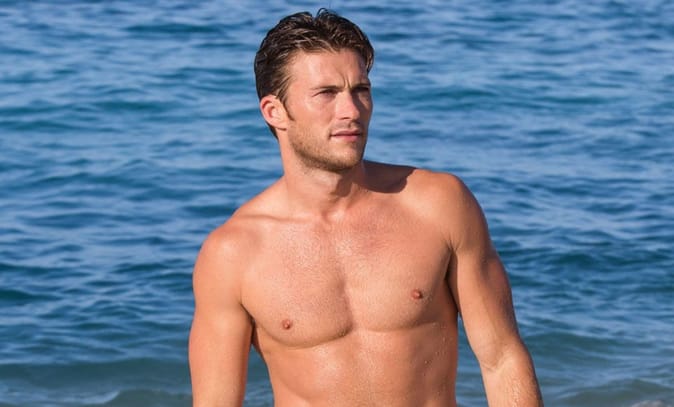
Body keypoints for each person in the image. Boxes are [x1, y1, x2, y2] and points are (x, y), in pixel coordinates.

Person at [189, 9, 543, 407]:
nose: (352, 111)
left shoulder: (439, 206)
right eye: (326, 93)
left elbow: (502, 359)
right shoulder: (233, 254)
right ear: (275, 111)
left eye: (360, 90)